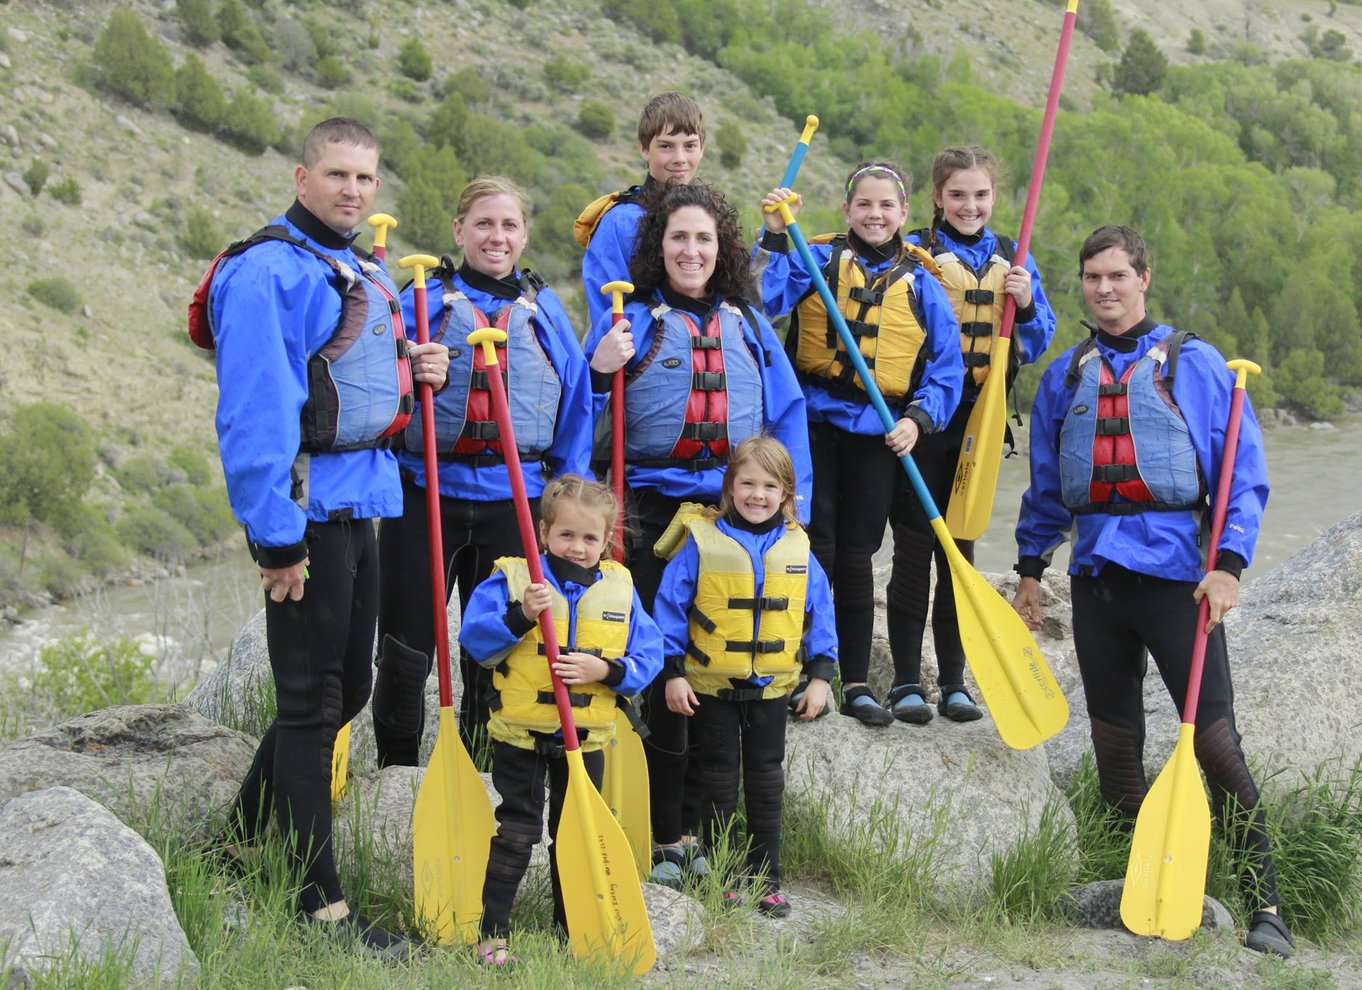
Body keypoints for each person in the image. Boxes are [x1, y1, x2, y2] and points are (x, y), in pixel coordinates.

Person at [1011, 225, 1293, 958]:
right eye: (1092, 278)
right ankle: (1151, 881)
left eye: (1117, 276)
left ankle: (1265, 899)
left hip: (1177, 579)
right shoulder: (1065, 375)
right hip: (1098, 579)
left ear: (1143, 277)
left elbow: (1242, 472)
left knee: (1216, 744)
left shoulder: (1193, 364)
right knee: (1115, 750)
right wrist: (1030, 571)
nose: (1104, 290)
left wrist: (1228, 564)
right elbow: (1046, 485)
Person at [204, 118, 449, 959]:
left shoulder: (357, 267)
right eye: (337, 175)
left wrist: (415, 366)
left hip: (361, 502)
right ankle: (321, 910)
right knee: (311, 706)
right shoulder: (268, 270)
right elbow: (255, 414)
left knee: (343, 695)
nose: (353, 191)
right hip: (305, 514)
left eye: (366, 179)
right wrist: (275, 542)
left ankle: (236, 847)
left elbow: (348, 377)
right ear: (301, 177)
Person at [584, 181, 812, 888]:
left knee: (712, 668)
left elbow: (787, 417)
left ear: (723, 250)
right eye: (678, 238)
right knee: (662, 670)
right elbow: (584, 415)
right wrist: (600, 370)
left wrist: (792, 512)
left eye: (704, 239)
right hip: (651, 515)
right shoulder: (632, 325)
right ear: (659, 246)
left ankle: (706, 831)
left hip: (731, 516)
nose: (691, 250)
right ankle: (665, 834)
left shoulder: (747, 325)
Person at [372, 176, 592, 769]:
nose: (497, 237)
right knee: (405, 644)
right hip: (425, 495)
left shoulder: (544, 311)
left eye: (510, 225)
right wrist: (410, 372)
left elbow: (577, 407)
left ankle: (481, 767)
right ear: (458, 230)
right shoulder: (422, 300)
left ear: (524, 235)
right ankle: (397, 774)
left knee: (493, 642)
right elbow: (376, 392)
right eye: (484, 224)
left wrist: (566, 507)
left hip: (513, 500)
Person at [756, 160, 963, 727]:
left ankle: (851, 681)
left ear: (902, 214)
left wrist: (918, 420)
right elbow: (761, 297)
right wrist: (775, 234)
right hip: (813, 426)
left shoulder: (922, 284)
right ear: (847, 211)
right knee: (812, 543)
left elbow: (946, 372)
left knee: (857, 554)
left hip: (879, 433)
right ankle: (801, 667)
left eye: (887, 206)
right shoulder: (816, 257)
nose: (875, 215)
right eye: (864, 205)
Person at [458, 475, 662, 967]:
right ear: (544, 532)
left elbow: (649, 654)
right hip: (521, 737)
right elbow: (476, 641)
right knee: (517, 832)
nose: (577, 547)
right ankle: (493, 933)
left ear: (606, 541)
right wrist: (520, 616)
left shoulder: (620, 586)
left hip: (586, 740)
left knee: (575, 832)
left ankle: (569, 925)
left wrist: (607, 670)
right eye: (566, 535)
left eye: (590, 538)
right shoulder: (514, 580)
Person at [886, 146, 1056, 724]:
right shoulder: (913, 255)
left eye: (980, 195)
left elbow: (1033, 343)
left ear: (994, 198)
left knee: (960, 549)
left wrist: (1026, 302)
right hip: (923, 418)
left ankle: (954, 681)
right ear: (937, 197)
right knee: (913, 551)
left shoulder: (1012, 258)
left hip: (978, 427)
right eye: (957, 194)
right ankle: (907, 681)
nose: (969, 205)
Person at [652, 437, 836, 918]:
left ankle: (766, 879)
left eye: (769, 486)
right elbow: (669, 609)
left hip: (772, 689)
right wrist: (673, 673)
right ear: (729, 487)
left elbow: (819, 611)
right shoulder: (699, 542)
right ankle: (725, 875)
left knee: (766, 781)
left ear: (786, 495)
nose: (757, 495)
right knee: (716, 782)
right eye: (747, 483)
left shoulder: (798, 545)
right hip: (710, 688)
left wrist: (820, 676)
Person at [577, 91, 706, 328]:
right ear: (645, 149)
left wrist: (771, 238)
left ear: (702, 148)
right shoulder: (621, 222)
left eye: (690, 146)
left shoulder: (708, 219)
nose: (680, 158)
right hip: (641, 355)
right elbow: (606, 312)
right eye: (666, 146)